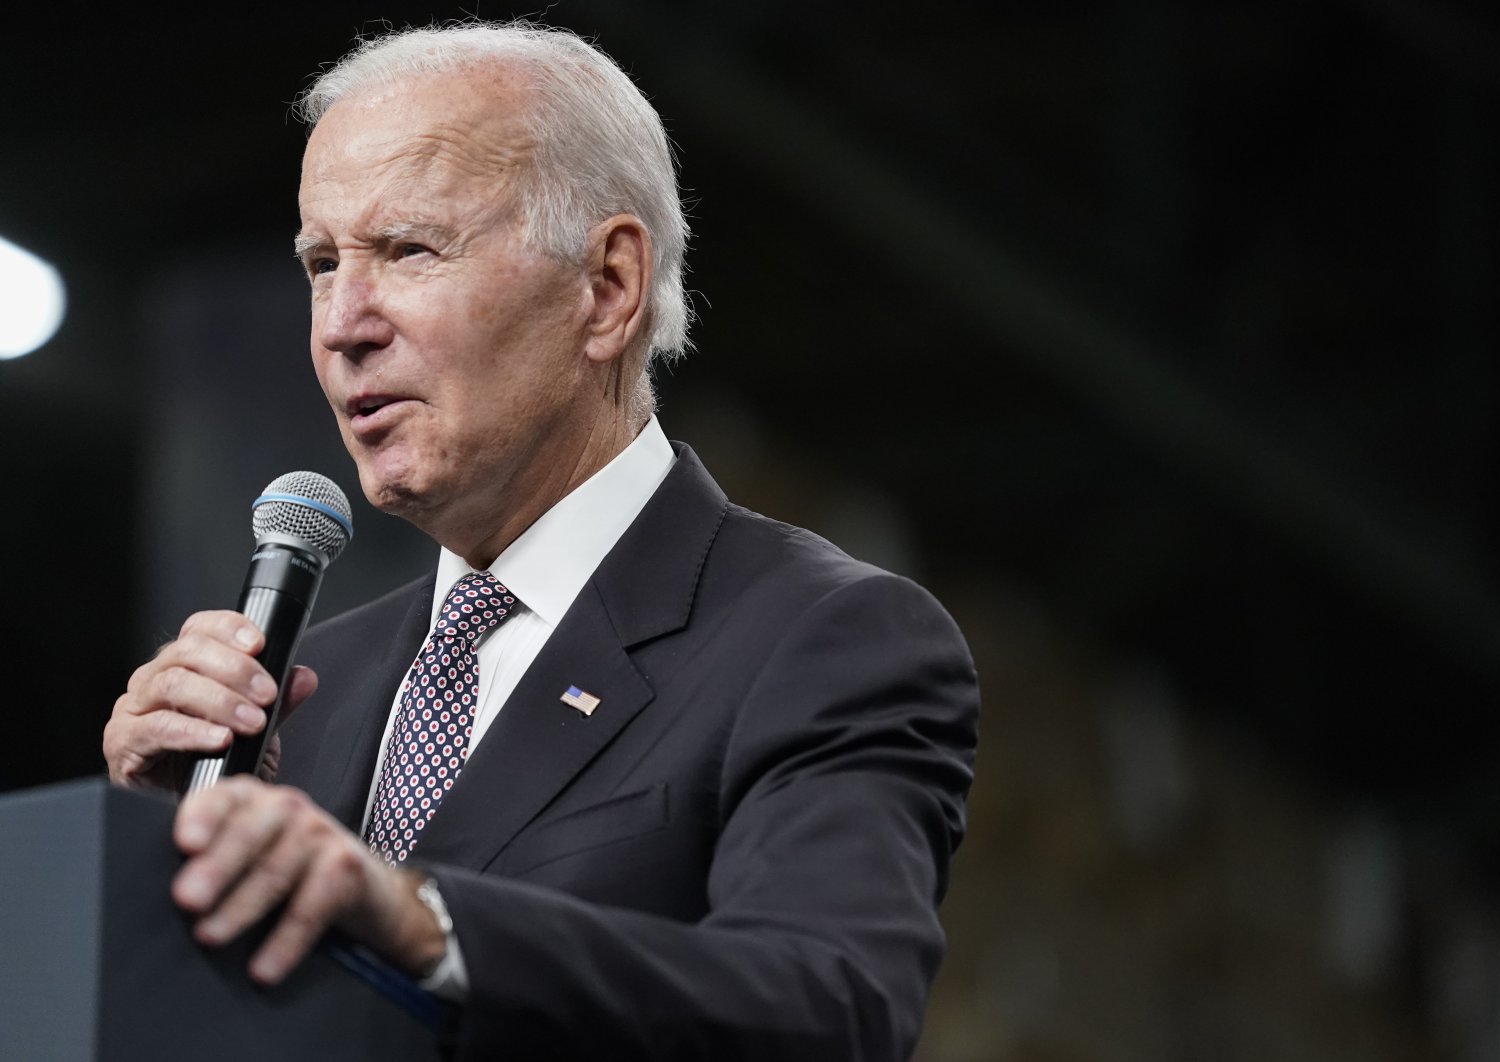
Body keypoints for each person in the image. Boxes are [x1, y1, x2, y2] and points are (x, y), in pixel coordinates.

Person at [102, 21, 978, 1060]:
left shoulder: (820, 638)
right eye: (320, 262)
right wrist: (146, 862)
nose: (342, 322)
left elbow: (827, 1006)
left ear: (606, 289)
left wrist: (423, 920)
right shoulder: (302, 691)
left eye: (408, 250)